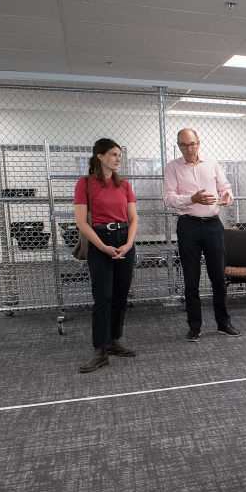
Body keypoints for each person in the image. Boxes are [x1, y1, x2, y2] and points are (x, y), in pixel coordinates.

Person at [163, 128, 240, 341]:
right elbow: (168, 198)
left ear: (199, 143)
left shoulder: (212, 163)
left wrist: (226, 197)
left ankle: (223, 323)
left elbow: (226, 188)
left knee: (218, 277)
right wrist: (192, 199)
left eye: (192, 144)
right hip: (189, 227)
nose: (189, 149)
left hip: (214, 226)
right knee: (191, 279)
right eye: (184, 145)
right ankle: (194, 327)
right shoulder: (173, 167)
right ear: (179, 146)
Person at [74, 138, 138, 373]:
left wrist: (129, 244)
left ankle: (113, 341)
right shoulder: (85, 184)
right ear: (99, 156)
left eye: (119, 155)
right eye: (113, 154)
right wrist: (102, 247)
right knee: (103, 297)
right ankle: (100, 349)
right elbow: (81, 222)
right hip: (100, 242)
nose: (118, 158)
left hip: (123, 241)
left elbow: (133, 218)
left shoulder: (124, 185)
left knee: (120, 295)